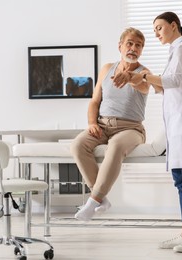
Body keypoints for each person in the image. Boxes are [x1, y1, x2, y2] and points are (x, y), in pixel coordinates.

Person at [113, 12, 182, 253]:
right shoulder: (174, 51)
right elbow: (162, 85)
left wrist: (143, 75)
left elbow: (173, 80)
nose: (156, 33)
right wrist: (138, 79)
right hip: (176, 123)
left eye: (159, 28)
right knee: (180, 181)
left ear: (173, 26)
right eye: (154, 29)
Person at [70, 27, 150, 221]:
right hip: (102, 125)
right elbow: (95, 101)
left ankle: (92, 201)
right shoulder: (107, 69)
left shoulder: (144, 73)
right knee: (78, 145)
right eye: (129, 43)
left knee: (115, 146)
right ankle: (102, 198)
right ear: (120, 46)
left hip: (131, 128)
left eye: (138, 45)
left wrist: (129, 77)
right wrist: (91, 123)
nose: (133, 48)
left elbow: (143, 84)